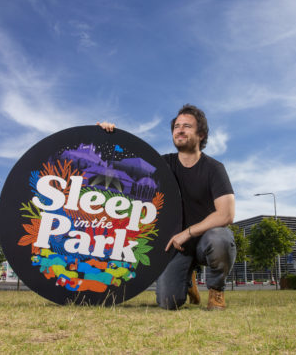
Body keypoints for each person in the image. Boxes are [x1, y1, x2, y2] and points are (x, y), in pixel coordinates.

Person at [98, 104, 236, 310]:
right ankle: (188, 280)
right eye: (176, 126)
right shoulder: (162, 165)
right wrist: (106, 138)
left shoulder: (214, 169)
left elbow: (226, 214)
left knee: (221, 238)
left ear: (201, 135)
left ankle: (216, 291)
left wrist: (187, 233)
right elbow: (123, 167)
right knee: (168, 302)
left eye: (187, 126)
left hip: (204, 240)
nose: (179, 130)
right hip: (174, 246)